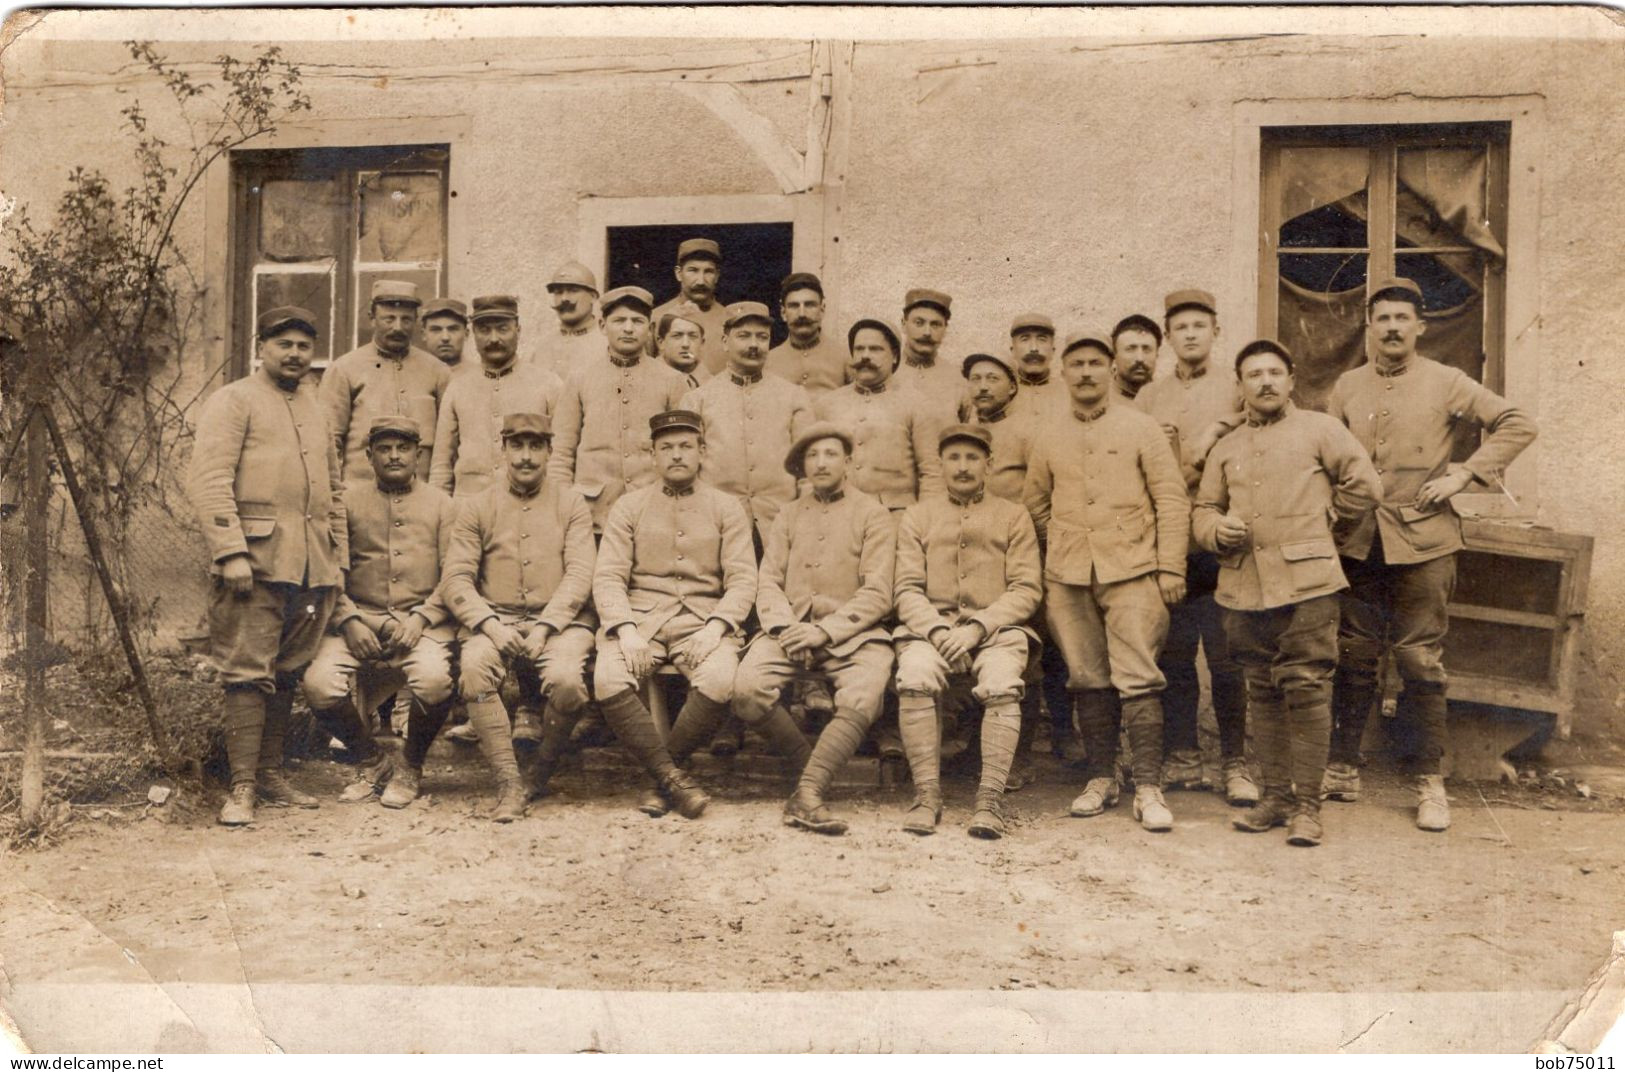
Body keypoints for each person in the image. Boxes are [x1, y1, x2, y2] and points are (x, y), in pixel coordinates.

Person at [1323, 277, 1538, 831]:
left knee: (1420, 659)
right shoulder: (1347, 387)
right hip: (1359, 541)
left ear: (1420, 327)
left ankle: (1427, 780)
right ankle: (1343, 766)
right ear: (1368, 328)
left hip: (1425, 541)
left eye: (1402, 318)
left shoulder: (1446, 382)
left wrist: (1464, 473)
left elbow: (1518, 423)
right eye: (1382, 319)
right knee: (1355, 652)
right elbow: (1326, 456)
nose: (1392, 328)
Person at [1192, 339, 1382, 846]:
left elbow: (1365, 486)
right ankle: (1275, 799)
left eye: (1275, 371)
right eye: (1254, 374)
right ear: (1240, 386)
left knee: (1306, 687)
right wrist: (1216, 531)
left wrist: (1329, 527)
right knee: (1261, 687)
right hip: (1245, 586)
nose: (1266, 381)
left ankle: (1308, 808)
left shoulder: (1321, 429)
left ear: (1292, 379)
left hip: (1309, 585)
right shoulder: (1227, 446)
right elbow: (1203, 508)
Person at [187, 306, 347, 826]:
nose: (296, 354)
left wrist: (336, 558)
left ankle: (271, 773)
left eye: (305, 346)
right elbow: (210, 478)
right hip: (253, 563)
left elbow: (334, 490)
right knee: (246, 673)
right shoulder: (234, 401)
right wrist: (230, 550)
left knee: (287, 670)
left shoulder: (317, 406)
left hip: (309, 566)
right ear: (262, 348)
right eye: (285, 345)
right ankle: (242, 787)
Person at [1024, 329, 1190, 832]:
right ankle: (1101, 778)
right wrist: (1069, 539)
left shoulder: (1141, 428)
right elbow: (1034, 503)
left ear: (1112, 368)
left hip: (1135, 570)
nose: (1087, 372)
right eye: (1077, 364)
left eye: (1097, 362)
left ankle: (1148, 787)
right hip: (1070, 576)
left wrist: (1170, 566)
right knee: (1087, 676)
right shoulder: (1049, 435)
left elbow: (1172, 500)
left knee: (1138, 675)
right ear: (1063, 372)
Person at [591, 410, 758, 819]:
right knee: (608, 679)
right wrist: (626, 631)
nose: (677, 455)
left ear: (702, 452)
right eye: (666, 448)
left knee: (721, 679)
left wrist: (717, 628)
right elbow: (608, 575)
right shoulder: (629, 507)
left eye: (686, 446)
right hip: (641, 620)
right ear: (652, 455)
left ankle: (661, 780)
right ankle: (673, 778)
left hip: (701, 621)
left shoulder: (728, 507)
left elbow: (742, 579)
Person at [734, 422, 897, 834]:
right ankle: (812, 772)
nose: (821, 463)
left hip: (855, 634)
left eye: (830, 454)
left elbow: (878, 592)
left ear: (848, 462)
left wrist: (825, 632)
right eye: (812, 456)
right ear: (801, 467)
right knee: (746, 689)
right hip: (790, 631)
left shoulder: (874, 514)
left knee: (864, 693)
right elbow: (767, 579)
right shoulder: (788, 515)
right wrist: (785, 628)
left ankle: (806, 793)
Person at [439, 412, 597, 820]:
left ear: (549, 451)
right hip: (496, 619)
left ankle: (540, 770)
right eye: (517, 446)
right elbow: (456, 578)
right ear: (504, 449)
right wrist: (490, 625)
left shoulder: (572, 503)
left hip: (559, 622)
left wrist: (547, 626)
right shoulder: (477, 506)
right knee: (474, 670)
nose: (526, 457)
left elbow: (581, 572)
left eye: (535, 447)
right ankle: (509, 781)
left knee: (566, 683)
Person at [893, 424, 1042, 838]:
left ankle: (989, 801)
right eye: (954, 458)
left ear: (989, 464)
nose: (963, 467)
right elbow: (905, 589)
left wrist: (977, 627)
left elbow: (1027, 588)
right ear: (940, 464)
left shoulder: (1014, 514)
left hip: (996, 631)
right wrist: (939, 632)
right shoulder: (917, 516)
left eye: (973, 457)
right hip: (930, 631)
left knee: (1001, 684)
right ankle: (927, 796)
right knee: (915, 676)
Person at [300, 416, 458, 806]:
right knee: (318, 684)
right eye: (384, 449)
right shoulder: (347, 503)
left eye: (403, 448)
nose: (394, 456)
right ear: (369, 456)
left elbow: (456, 576)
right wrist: (350, 620)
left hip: (421, 622)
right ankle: (372, 763)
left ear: (418, 455)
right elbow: (329, 573)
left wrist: (422, 617)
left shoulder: (443, 505)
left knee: (435, 680)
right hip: (359, 621)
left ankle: (410, 766)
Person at [1133, 289, 1252, 801]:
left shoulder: (1238, 386)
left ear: (1216, 331)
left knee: (1227, 659)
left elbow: (1265, 419)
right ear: (1168, 336)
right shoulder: (1148, 397)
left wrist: (1216, 431)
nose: (1190, 334)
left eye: (1200, 325)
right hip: (1172, 543)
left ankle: (1235, 762)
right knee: (1176, 656)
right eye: (1180, 327)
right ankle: (1182, 755)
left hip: (1224, 539)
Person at [962, 352, 1075, 778]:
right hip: (972, 547)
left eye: (994, 378)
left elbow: (1041, 492)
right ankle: (977, 749)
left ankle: (1017, 759)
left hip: (1019, 545)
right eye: (976, 378)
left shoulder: (1029, 431)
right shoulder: (964, 432)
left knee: (1021, 645)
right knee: (977, 640)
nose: (984, 386)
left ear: (1013, 388)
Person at [550, 286, 690, 532]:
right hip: (591, 513)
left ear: (650, 328)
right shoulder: (580, 379)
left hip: (654, 512)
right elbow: (561, 451)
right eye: (619, 320)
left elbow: (685, 450)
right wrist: (562, 506)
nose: (628, 328)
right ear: (603, 326)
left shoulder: (672, 380)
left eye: (637, 321)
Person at [680, 301, 815, 538]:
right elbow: (688, 470)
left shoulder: (794, 396)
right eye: (743, 336)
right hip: (715, 526)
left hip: (779, 526)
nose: (754, 345)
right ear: (725, 342)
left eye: (762, 337)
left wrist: (804, 520)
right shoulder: (697, 400)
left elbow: (808, 469)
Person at [429, 295, 563, 499]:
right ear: (473, 333)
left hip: (528, 505)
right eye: (484, 330)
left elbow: (559, 457)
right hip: (468, 508)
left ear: (518, 330)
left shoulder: (548, 384)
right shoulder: (458, 388)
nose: (493, 339)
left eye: (502, 329)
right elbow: (441, 466)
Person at [320, 280, 449, 484]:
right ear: (372, 319)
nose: (398, 327)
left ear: (416, 321)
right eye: (389, 319)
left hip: (422, 495)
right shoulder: (344, 369)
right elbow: (329, 441)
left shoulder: (437, 370)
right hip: (361, 493)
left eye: (406, 320)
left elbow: (448, 441)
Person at [814, 318, 942, 511]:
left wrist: (923, 524)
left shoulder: (917, 405)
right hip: (838, 515)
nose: (865, 356)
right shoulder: (827, 405)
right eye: (859, 349)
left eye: (875, 349)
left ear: (895, 356)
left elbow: (932, 473)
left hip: (895, 516)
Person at [650, 239, 729, 376]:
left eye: (708, 271)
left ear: (717, 275)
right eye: (693, 270)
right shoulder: (657, 317)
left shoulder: (730, 320)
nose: (700, 281)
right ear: (678, 273)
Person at [766, 272, 846, 394]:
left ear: (822, 310)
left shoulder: (845, 358)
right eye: (794, 306)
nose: (802, 314)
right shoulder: (768, 362)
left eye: (810, 305)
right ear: (783, 313)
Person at [892, 288, 963, 423]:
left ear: (945, 329)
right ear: (903, 324)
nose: (927, 332)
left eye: (935, 325)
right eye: (919, 323)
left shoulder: (957, 379)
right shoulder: (887, 372)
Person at [542, 261, 604, 380]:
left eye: (573, 290)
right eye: (558, 292)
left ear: (593, 297)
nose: (564, 298)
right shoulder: (541, 348)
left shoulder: (608, 345)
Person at [1008, 312, 1064, 423]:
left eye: (1042, 339)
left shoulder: (1069, 394)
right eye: (1024, 339)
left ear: (1053, 351)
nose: (1034, 348)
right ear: (1013, 351)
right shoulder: (1000, 395)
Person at [1109, 313, 1160, 405]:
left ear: (1157, 354)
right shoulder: (1099, 401)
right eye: (1130, 349)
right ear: (1114, 355)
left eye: (1147, 349)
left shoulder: (1170, 400)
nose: (1139, 358)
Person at [656, 303, 707, 390]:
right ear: (661, 342)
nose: (685, 344)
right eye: (677, 336)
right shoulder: (644, 380)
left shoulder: (714, 385)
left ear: (702, 343)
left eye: (692, 336)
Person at [421, 298, 470, 373]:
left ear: (466, 334)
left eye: (453, 329)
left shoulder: (480, 377)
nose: (445, 337)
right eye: (436, 329)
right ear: (424, 334)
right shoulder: (411, 376)